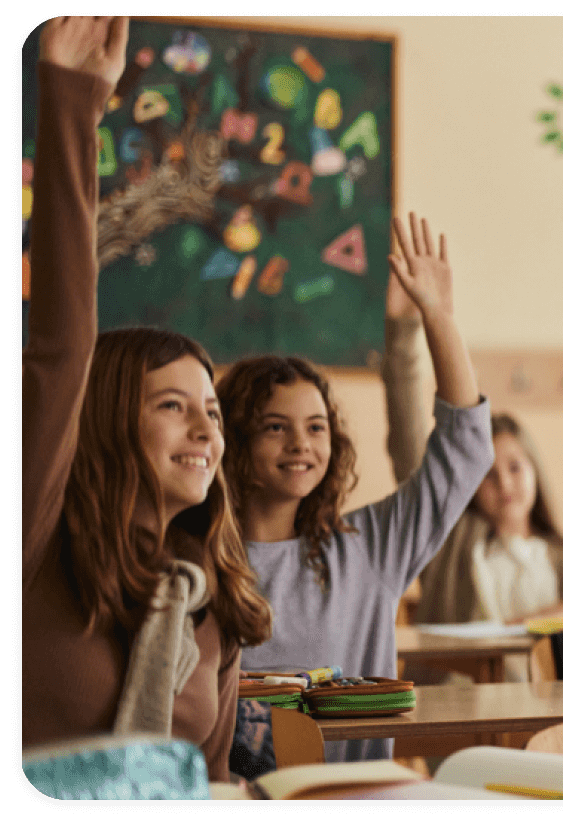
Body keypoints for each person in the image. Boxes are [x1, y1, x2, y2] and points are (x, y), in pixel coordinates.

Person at [21, 17, 273, 782]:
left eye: (212, 410)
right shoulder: (40, 536)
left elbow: (212, 779)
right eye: (171, 405)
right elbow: (63, 351)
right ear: (103, 422)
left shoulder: (208, 594)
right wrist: (71, 100)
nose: (205, 427)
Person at [221, 213, 493, 762]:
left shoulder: (368, 548)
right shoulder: (200, 559)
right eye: (276, 427)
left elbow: (465, 450)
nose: (301, 443)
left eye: (316, 427)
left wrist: (436, 316)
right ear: (233, 438)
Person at [386, 274, 563, 637]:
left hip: (545, 693)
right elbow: (408, 444)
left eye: (515, 468)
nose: (503, 482)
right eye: (488, 474)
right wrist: (404, 332)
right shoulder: (450, 542)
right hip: (461, 690)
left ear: (535, 471)